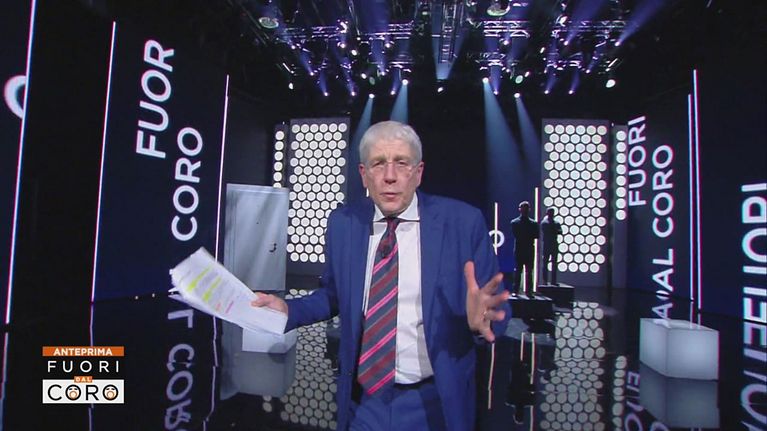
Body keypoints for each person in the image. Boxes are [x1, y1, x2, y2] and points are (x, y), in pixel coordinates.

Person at [252, 120, 511, 431]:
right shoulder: (344, 223)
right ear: (364, 174)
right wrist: (288, 310)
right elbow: (333, 295)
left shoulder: (463, 223)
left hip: (435, 401)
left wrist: (482, 322)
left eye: (402, 163)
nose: (390, 176)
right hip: (365, 402)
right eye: (378, 164)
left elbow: (496, 309)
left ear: (418, 172)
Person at [510, 201, 538, 297]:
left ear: (529, 209)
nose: (525, 210)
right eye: (523, 208)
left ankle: (529, 291)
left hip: (529, 249)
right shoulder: (514, 222)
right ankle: (516, 290)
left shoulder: (534, 223)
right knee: (518, 270)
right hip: (519, 249)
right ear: (520, 209)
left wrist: (526, 235)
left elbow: (536, 235)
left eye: (526, 208)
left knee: (529, 271)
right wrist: (527, 235)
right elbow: (517, 235)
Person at [540, 207, 563, 285]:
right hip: (547, 245)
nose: (551, 214)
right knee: (545, 263)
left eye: (552, 212)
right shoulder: (544, 223)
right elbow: (546, 230)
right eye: (550, 212)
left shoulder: (556, 223)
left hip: (554, 244)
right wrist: (555, 230)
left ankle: (553, 281)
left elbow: (560, 231)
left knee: (554, 264)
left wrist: (554, 230)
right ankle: (545, 281)